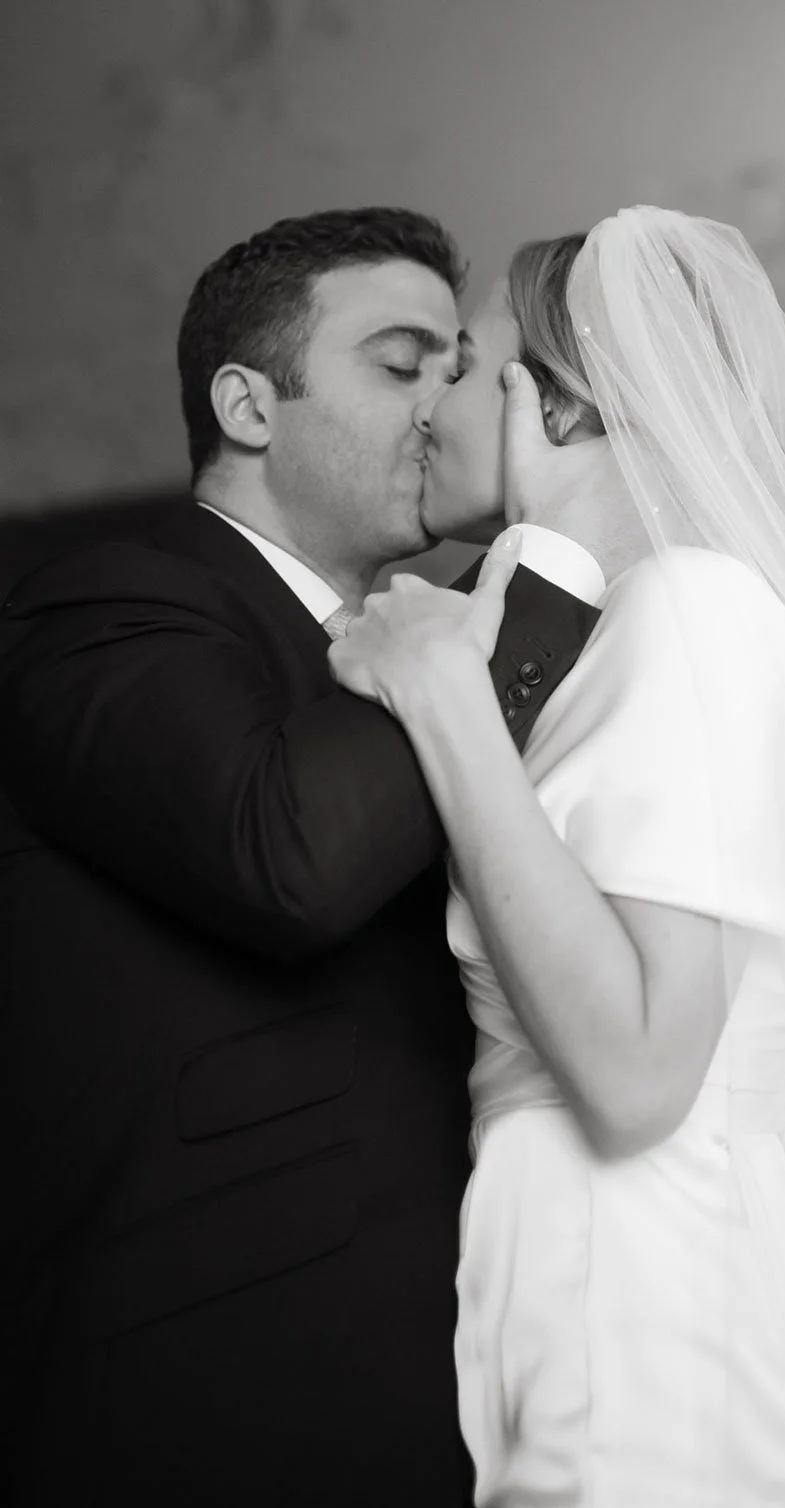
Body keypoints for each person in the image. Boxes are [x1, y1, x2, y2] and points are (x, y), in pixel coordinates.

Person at [329, 208, 785, 1506]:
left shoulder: (694, 616)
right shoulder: (643, 629)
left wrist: (442, 699)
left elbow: (638, 1074)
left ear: (564, 405)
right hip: (595, 1268)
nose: (429, 405)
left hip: (642, 1304)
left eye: (460, 366)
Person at [0, 207, 607, 1507]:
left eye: (460, 371)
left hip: (468, 1378)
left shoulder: (433, 641)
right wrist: (553, 564)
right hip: (218, 1403)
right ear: (248, 404)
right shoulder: (105, 606)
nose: (446, 407)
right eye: (403, 366)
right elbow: (292, 858)